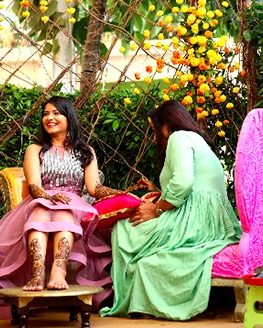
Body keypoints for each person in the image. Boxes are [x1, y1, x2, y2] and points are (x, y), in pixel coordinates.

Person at [0, 96, 121, 319]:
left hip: (72, 203)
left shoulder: (86, 151)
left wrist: (121, 193)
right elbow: (34, 185)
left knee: (64, 213)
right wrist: (48, 197)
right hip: (41, 200)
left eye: (56, 113)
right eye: (45, 114)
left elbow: (94, 188)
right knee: (41, 213)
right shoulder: (35, 149)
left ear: (69, 117)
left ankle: (58, 271)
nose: (50, 118)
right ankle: (37, 273)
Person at [100, 100, 241, 321]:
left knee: (125, 227)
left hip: (193, 220)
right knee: (134, 229)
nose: (155, 136)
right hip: (212, 219)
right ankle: (139, 298)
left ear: (166, 125)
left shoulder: (178, 137)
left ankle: (127, 298)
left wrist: (156, 210)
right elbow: (194, 185)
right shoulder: (197, 139)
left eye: (155, 129)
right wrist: (155, 190)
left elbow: (183, 183)